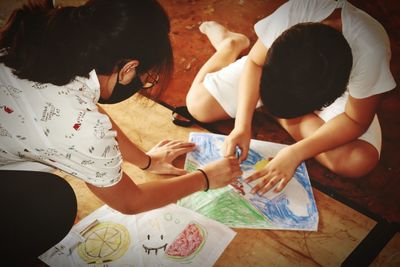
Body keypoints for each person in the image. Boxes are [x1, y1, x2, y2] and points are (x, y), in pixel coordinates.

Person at [0, 0, 242, 263]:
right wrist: (204, 179)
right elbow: (130, 201)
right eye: (146, 77)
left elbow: (86, 112)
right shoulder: (79, 126)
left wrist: (146, 161)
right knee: (53, 205)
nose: (144, 83)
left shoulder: (50, 36)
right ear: (128, 69)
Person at [186, 0, 396, 195]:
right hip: (282, 79)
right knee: (199, 105)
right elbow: (255, 63)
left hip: (346, 95)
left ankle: (275, 112)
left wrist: (295, 153)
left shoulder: (370, 50)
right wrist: (242, 125)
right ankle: (229, 45)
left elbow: (355, 119)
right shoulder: (299, 11)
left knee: (358, 160)